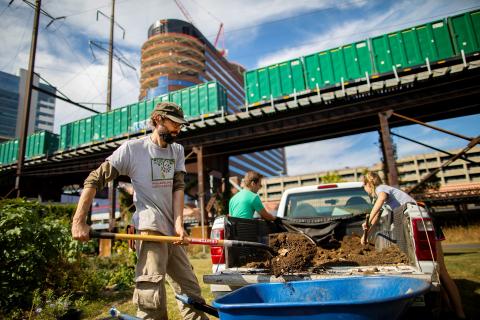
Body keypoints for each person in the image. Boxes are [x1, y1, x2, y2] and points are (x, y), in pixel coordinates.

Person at [71, 102, 208, 320]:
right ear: (158, 120)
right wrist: (78, 222)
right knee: (151, 300)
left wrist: (179, 224)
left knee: (192, 295)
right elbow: (94, 179)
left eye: (181, 126)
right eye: (174, 124)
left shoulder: (177, 150)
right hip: (149, 229)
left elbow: (178, 187)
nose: (178, 130)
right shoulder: (132, 150)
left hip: (174, 233)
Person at [360, 171, 466, 319]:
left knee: (441, 272)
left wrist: (367, 220)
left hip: (423, 222)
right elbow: (376, 216)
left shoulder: (381, 189)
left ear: (368, 184)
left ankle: (460, 314)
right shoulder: (384, 192)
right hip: (422, 222)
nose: (363, 189)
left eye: (362, 186)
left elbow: (381, 199)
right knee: (439, 273)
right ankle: (446, 308)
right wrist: (367, 229)